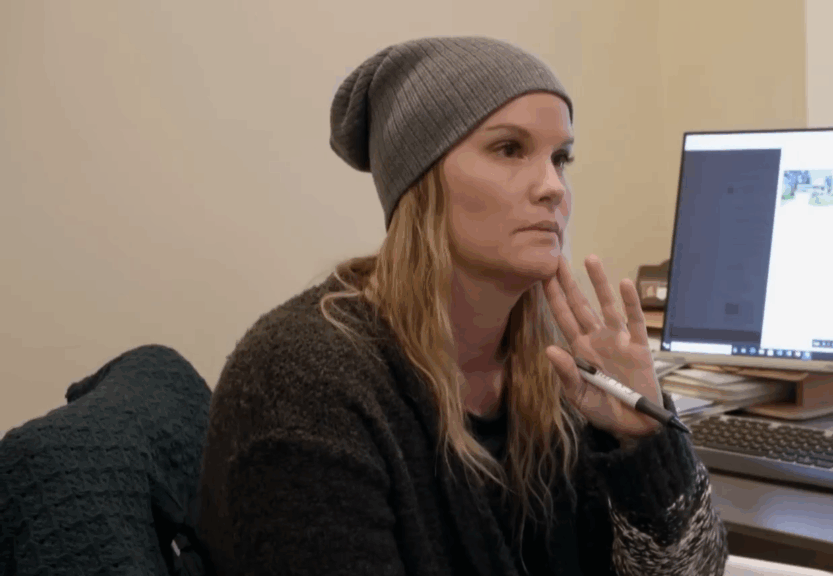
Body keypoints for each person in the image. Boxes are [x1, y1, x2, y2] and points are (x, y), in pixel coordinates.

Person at [196, 35, 728, 576]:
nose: (553, 187)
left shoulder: (563, 371)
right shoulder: (304, 378)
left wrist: (646, 442)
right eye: (509, 149)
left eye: (560, 158)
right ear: (421, 181)